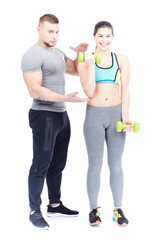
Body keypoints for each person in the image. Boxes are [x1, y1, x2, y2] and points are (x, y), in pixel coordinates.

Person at [21, 14, 88, 230]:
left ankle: (55, 204)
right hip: (44, 116)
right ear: (38, 29)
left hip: (61, 115)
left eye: (57, 31)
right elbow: (35, 90)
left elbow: (76, 71)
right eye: (50, 31)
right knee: (41, 164)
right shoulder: (32, 55)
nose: (54, 35)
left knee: (58, 163)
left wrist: (78, 54)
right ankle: (34, 210)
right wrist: (65, 98)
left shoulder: (58, 53)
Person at [78, 21, 132, 227]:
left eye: (108, 36)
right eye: (100, 36)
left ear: (113, 37)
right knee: (95, 164)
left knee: (116, 164)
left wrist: (125, 117)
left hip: (115, 115)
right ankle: (93, 210)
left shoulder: (122, 59)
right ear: (94, 37)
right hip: (94, 115)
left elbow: (125, 90)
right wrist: (91, 65)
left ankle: (118, 210)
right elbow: (89, 91)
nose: (104, 40)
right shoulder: (85, 61)